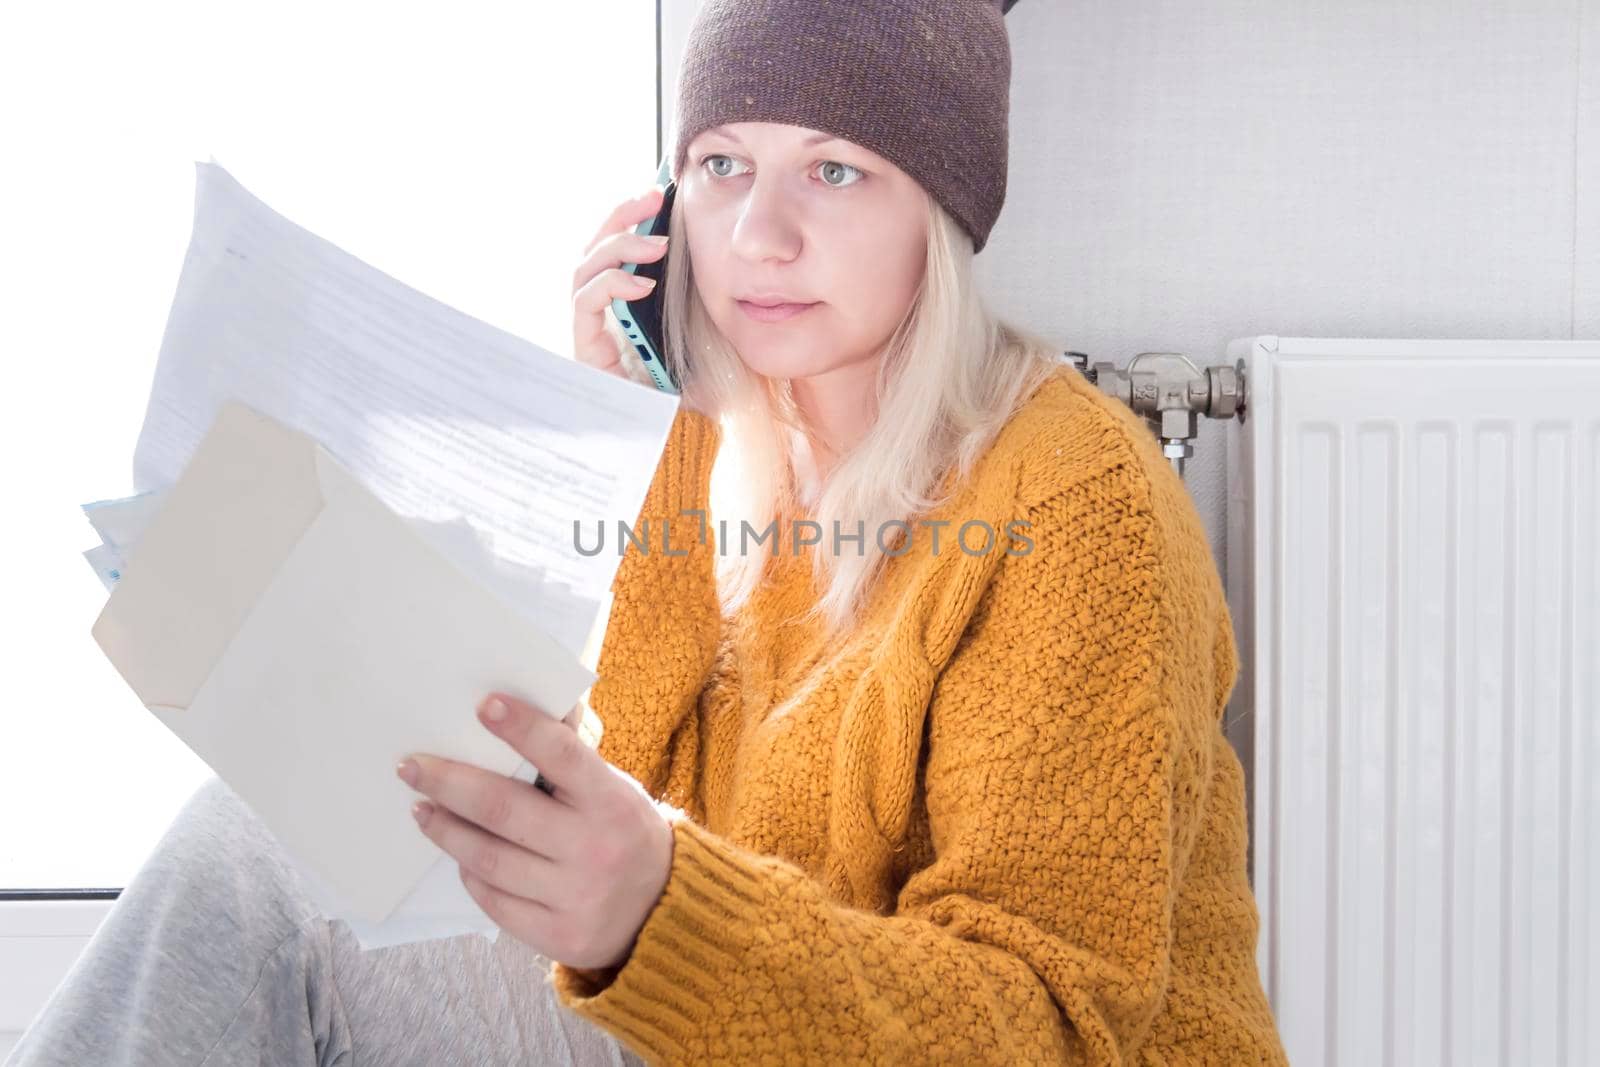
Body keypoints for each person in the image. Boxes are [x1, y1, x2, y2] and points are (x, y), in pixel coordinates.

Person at [9, 1, 1289, 1063]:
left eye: (834, 170)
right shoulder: (716, 440)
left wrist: (660, 907)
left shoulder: (1076, 500)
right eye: (723, 165)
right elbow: (623, 772)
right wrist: (616, 439)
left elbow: (1053, 1025)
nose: (757, 236)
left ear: (939, 214)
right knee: (253, 850)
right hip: (736, 1017)